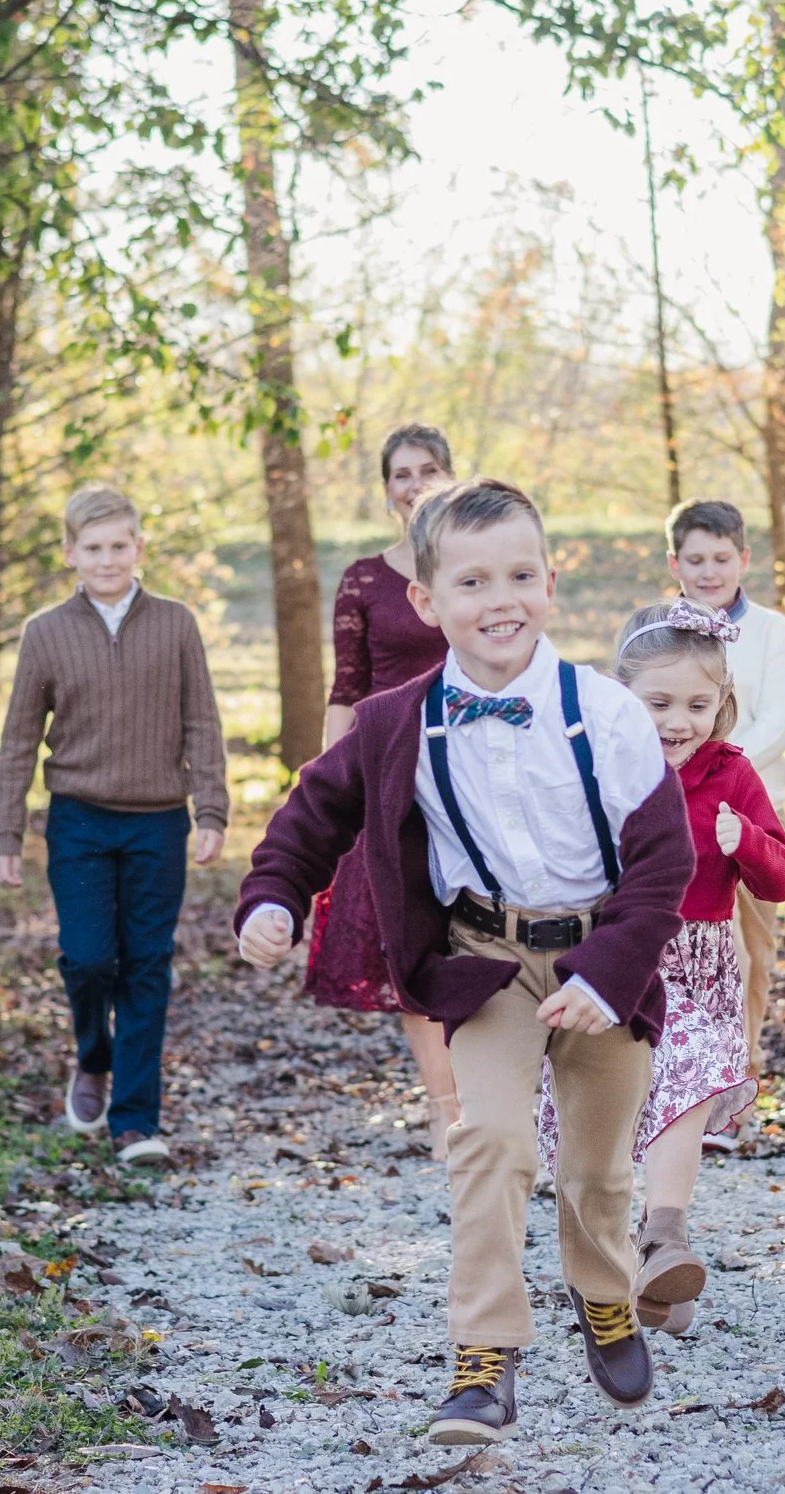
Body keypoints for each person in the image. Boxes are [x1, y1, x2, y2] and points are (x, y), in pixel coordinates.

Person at [233, 479, 695, 1445]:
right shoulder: (398, 721)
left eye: (521, 575)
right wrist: (273, 895)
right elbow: (313, 815)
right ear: (427, 600)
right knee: (489, 1141)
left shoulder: (603, 714)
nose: (501, 599)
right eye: (474, 579)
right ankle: (485, 1356)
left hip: (604, 958)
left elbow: (664, 860)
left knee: (600, 1171)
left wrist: (607, 971)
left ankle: (604, 1294)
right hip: (486, 960)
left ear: (552, 583)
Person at [536, 599, 785, 1335]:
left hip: (703, 960)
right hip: (619, 953)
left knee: (683, 1081)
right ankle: (632, 1267)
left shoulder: (733, 773)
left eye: (697, 703)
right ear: (623, 695)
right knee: (611, 1118)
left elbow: (781, 877)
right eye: (658, 702)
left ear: (722, 704)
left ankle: (666, 1234)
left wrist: (743, 836)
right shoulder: (600, 762)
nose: (677, 720)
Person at [0, 484, 228, 1165]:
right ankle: (92, 1058)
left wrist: (211, 808)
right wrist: (7, 831)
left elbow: (202, 721)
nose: (107, 559)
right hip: (80, 820)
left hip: (159, 821)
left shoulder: (176, 623)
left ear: (138, 547)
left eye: (119, 546)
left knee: (147, 963)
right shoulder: (46, 632)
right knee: (90, 958)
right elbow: (16, 740)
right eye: (92, 548)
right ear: (71, 553)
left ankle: (135, 1120)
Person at [310, 423, 459, 1155]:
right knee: (409, 943)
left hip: (471, 769)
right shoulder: (365, 579)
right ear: (386, 490)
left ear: (453, 477)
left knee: (479, 935)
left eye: (428, 469)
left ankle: (501, 1090)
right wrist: (327, 787)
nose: (415, 483)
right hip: (387, 773)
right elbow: (347, 687)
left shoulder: (473, 565)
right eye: (402, 473)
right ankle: (446, 1102)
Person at [665, 499, 785, 1133]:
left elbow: (778, 719)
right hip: (674, 807)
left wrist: (724, 769)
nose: (709, 570)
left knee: (751, 950)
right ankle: (679, 1079)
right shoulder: (660, 632)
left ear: (743, 559)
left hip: (747, 807)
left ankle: (735, 1077)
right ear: (676, 563)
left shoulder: (771, 630)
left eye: (721, 559)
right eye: (696, 559)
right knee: (680, 946)